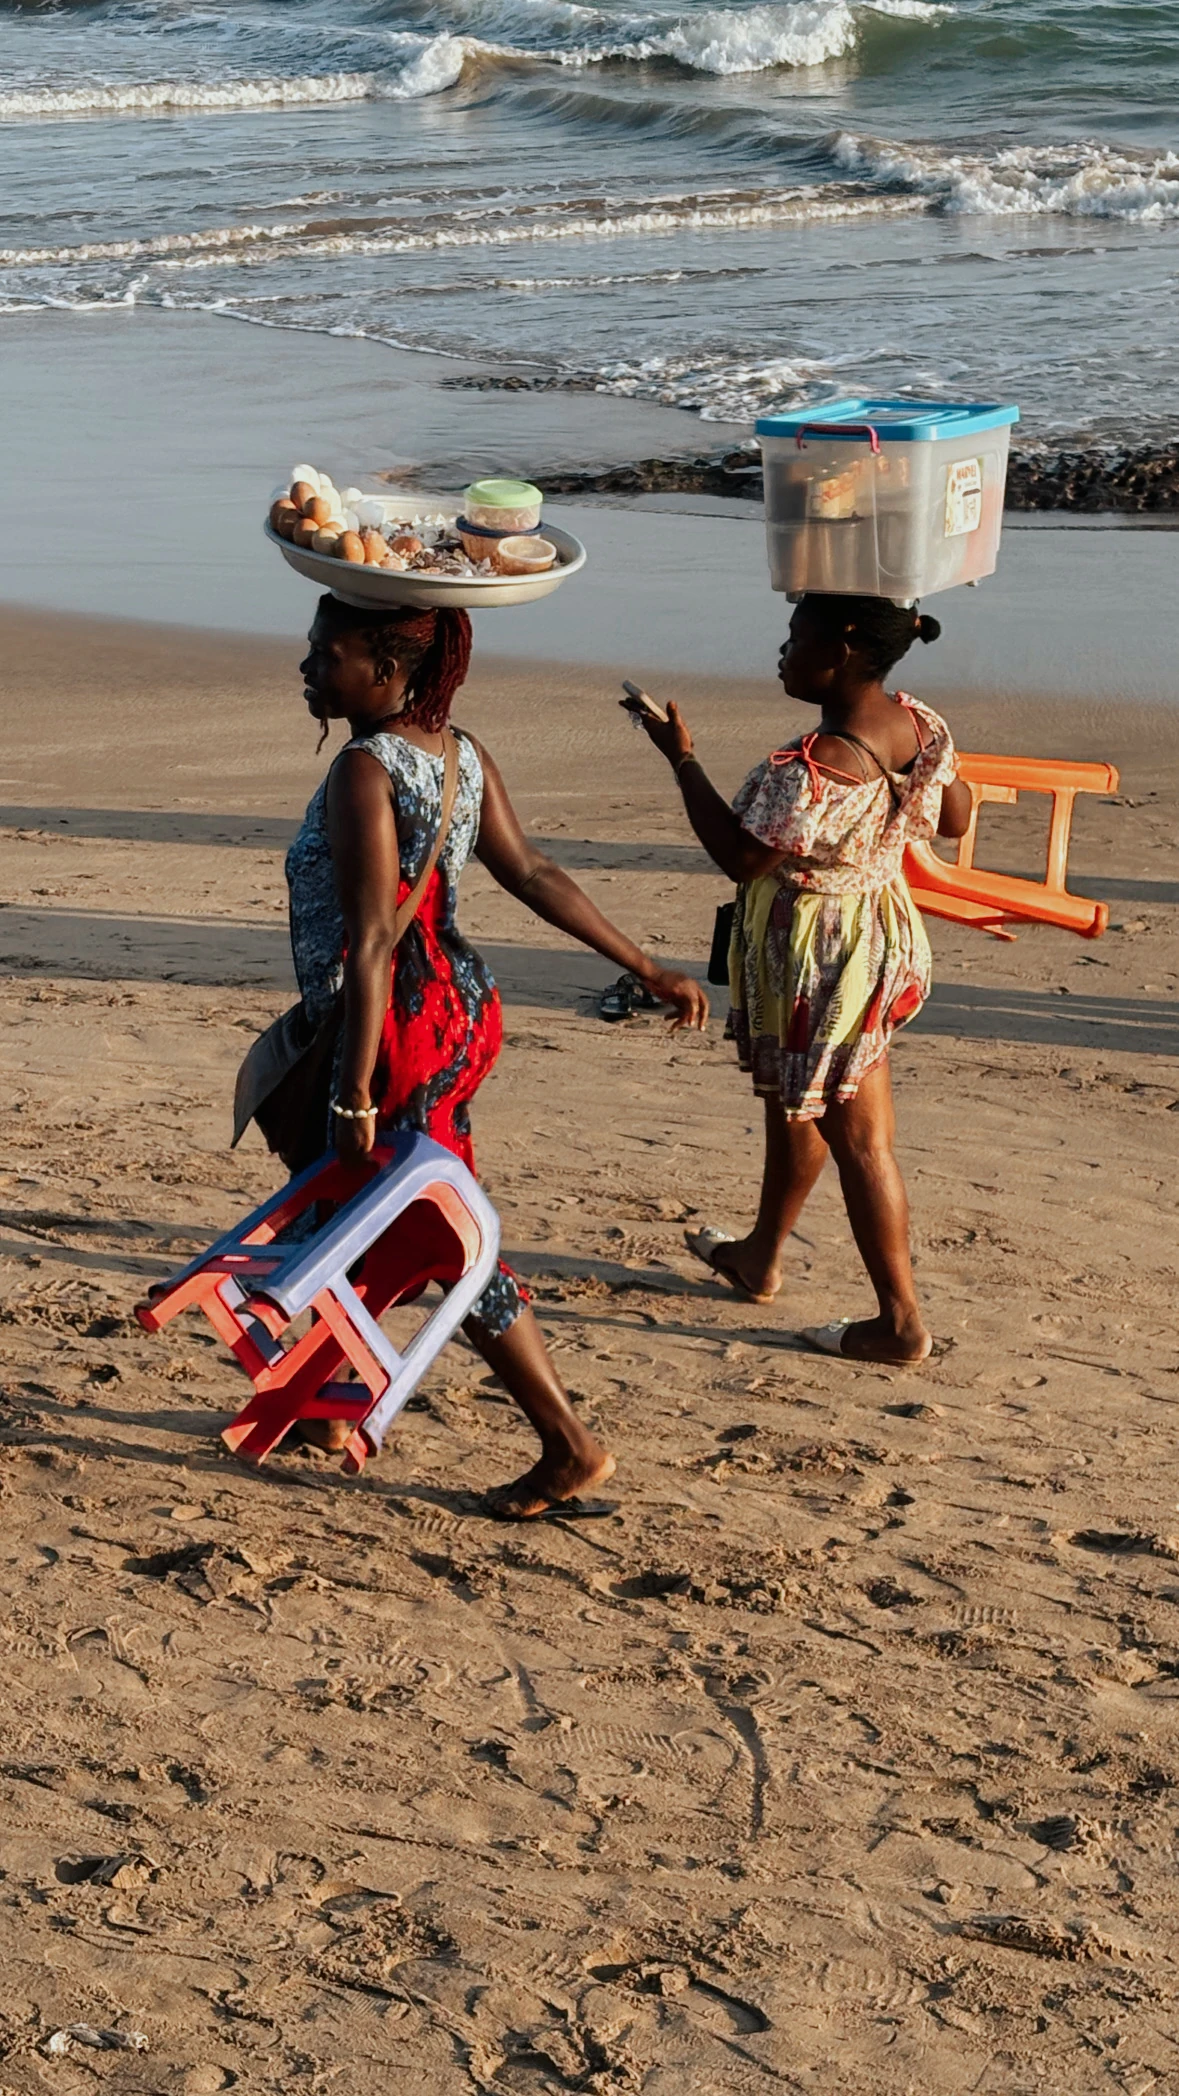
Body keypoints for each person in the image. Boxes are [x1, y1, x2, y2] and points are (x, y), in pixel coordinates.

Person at [286, 593, 708, 1515]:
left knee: (442, 1231)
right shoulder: (459, 753)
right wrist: (643, 966)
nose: (308, 667)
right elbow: (532, 871)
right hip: (459, 1008)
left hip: (401, 1023)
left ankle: (567, 1443)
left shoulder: (364, 769)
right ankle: (326, 1401)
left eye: (326, 653)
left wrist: (353, 1090)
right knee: (365, 1205)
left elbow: (370, 939)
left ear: (385, 670)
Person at [632, 593, 972, 1366]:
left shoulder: (813, 769)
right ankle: (759, 1254)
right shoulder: (920, 723)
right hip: (877, 929)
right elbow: (952, 818)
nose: (782, 652)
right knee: (798, 1099)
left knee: (860, 1139)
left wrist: (681, 758)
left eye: (795, 638)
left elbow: (742, 857)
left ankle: (900, 1323)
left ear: (842, 650)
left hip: (821, 956)